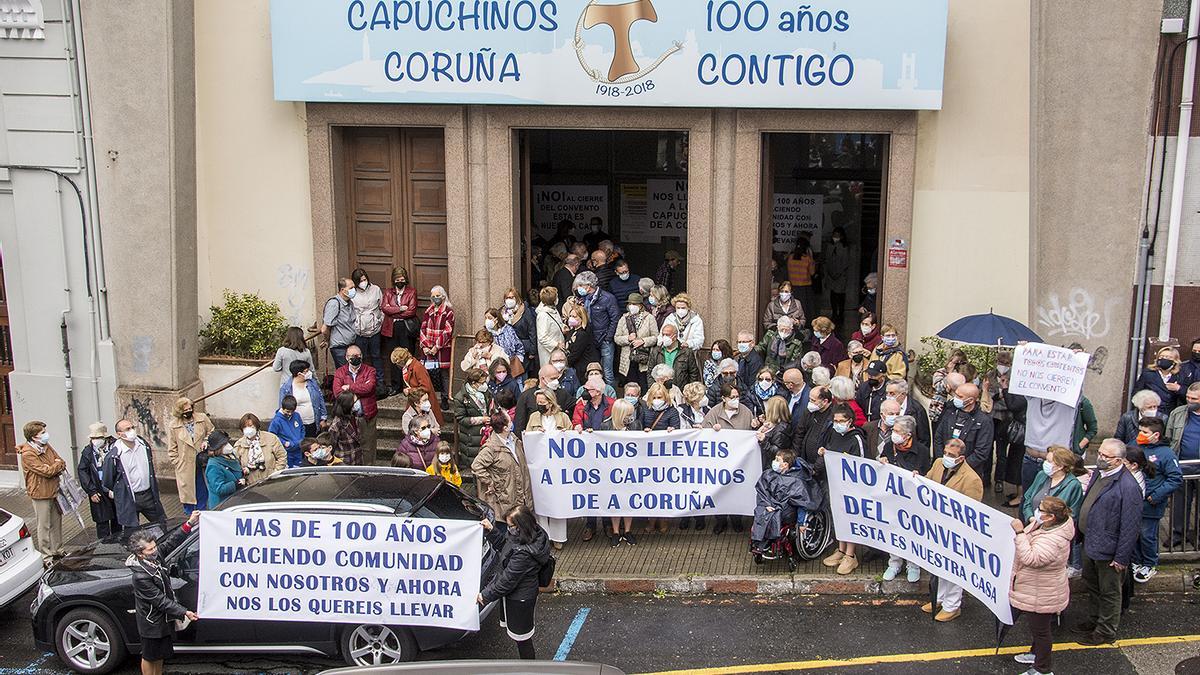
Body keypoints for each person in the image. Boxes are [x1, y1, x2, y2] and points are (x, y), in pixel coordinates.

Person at [1072, 439, 1143, 645]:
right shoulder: (1099, 474)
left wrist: (1121, 557)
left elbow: (1130, 527)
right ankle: (1094, 619)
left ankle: (1105, 630)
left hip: (1109, 550)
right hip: (1090, 542)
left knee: (1110, 592)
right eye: (1100, 454)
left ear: (1119, 461)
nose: (1100, 458)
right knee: (1093, 586)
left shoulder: (1128, 487)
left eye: (1106, 456)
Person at [127, 511, 201, 675]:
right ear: (140, 553)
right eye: (150, 549)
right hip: (151, 623)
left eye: (154, 547)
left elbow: (171, 542)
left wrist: (189, 524)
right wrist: (185, 612)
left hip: (161, 620)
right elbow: (160, 600)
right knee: (149, 656)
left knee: (159, 655)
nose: (155, 550)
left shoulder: (153, 559)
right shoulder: (141, 576)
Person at [1008, 496, 1075, 675]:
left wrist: (1020, 533)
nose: (1037, 511)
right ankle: (1036, 654)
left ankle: (1042, 669)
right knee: (1038, 629)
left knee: (1041, 631)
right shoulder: (1047, 526)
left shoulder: (1053, 540)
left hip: (1042, 592)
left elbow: (1032, 558)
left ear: (1050, 517)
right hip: (1037, 588)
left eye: (1041, 510)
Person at [919, 438, 984, 622]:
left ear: (961, 458)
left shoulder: (972, 479)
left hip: (955, 531)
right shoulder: (939, 463)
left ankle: (952, 605)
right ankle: (939, 598)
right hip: (936, 525)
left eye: (952, 455)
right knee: (939, 565)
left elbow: (971, 511)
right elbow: (928, 481)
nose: (946, 457)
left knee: (954, 569)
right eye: (946, 453)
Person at [477, 505, 551, 660]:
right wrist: (491, 531)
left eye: (510, 526)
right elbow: (507, 547)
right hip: (522, 594)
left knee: (523, 640)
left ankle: (529, 668)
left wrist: (485, 595)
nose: (508, 529)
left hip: (520, 599)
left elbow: (507, 580)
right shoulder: (534, 534)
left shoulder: (523, 554)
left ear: (520, 526)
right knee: (521, 637)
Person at [878, 415, 930, 583]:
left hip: (912, 502)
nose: (894, 434)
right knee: (893, 532)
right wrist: (881, 462)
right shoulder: (888, 446)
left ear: (908, 435)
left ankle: (913, 565)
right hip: (892, 499)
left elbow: (926, 475)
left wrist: (918, 475)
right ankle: (894, 563)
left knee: (912, 534)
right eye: (894, 430)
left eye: (898, 431)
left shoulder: (921, 451)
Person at [817, 404, 867, 574]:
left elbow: (860, 463)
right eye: (835, 420)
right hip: (835, 483)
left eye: (841, 421)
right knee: (838, 517)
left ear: (850, 421)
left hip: (851, 488)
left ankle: (851, 555)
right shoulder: (833, 433)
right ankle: (841, 549)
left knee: (849, 519)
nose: (838, 423)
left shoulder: (857, 439)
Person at [1131, 417, 1182, 583]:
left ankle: (1149, 564)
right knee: (1133, 534)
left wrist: (1156, 496)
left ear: (1156, 435)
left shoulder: (1166, 454)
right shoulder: (1134, 446)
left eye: (1145, 432)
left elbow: (1175, 478)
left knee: (1147, 535)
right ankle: (1136, 561)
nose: (1140, 434)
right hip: (1132, 502)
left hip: (1151, 504)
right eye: (1140, 430)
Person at [704, 382, 756, 535]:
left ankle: (736, 519)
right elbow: (703, 435)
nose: (735, 399)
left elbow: (751, 434)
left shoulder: (746, 412)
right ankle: (720, 521)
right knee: (719, 492)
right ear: (723, 398)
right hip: (719, 463)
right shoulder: (714, 413)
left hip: (739, 462)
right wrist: (712, 431)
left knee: (736, 491)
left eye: (737, 397)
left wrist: (755, 426)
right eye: (732, 397)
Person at [751, 448, 822, 555]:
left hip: (787, 509)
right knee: (762, 511)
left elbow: (802, 503)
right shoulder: (769, 474)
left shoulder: (797, 481)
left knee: (772, 515)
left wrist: (801, 523)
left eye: (777, 460)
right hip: (771, 504)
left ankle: (763, 543)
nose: (774, 462)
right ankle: (761, 542)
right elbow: (762, 491)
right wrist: (766, 504)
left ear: (785, 465)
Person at [104, 420, 167, 531]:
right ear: (119, 434)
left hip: (148, 496)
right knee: (132, 534)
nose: (132, 431)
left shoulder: (143, 446)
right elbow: (108, 480)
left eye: (132, 427)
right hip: (129, 499)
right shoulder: (114, 455)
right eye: (127, 429)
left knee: (163, 525)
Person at [473, 411, 533, 523]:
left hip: (520, 496)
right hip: (504, 501)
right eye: (510, 420)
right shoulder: (491, 448)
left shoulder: (514, 440)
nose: (512, 421)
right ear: (505, 428)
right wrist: (490, 482)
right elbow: (476, 466)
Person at [19, 421, 65, 564]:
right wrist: (55, 465)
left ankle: (58, 550)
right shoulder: (28, 454)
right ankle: (46, 555)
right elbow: (46, 471)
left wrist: (55, 465)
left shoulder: (46, 446)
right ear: (34, 436)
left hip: (53, 489)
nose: (46, 435)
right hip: (40, 492)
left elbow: (62, 462)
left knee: (56, 522)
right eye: (42, 433)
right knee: (43, 525)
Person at [932, 382, 993, 479]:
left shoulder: (983, 421)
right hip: (943, 468)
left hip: (967, 473)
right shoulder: (949, 413)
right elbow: (938, 438)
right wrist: (942, 460)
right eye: (955, 394)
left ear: (970, 400)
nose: (955, 398)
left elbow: (982, 452)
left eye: (959, 396)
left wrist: (959, 467)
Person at [600, 399, 640, 543]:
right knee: (615, 502)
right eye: (628, 414)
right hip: (612, 470)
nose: (631, 416)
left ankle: (628, 531)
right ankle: (616, 532)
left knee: (628, 500)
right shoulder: (605, 426)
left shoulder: (635, 425)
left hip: (630, 470)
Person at [166, 397, 214, 515]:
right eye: (185, 409)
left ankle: (203, 514)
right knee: (188, 495)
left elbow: (212, 431)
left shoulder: (202, 418)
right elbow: (172, 448)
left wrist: (206, 441)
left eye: (190, 408)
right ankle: (190, 518)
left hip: (202, 461)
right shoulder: (174, 426)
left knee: (202, 490)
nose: (188, 411)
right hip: (185, 465)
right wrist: (178, 462)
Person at [1167, 382, 1200, 547]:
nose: (1189, 401)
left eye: (1193, 398)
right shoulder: (1178, 413)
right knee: (1179, 503)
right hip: (1182, 467)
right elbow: (1169, 437)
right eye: (1187, 397)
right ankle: (1178, 534)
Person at [333, 344, 379, 462]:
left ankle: (369, 473)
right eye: (353, 356)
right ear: (347, 357)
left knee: (368, 447)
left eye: (358, 355)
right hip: (348, 417)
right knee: (350, 446)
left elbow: (369, 387)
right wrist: (359, 389)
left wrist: (349, 387)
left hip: (366, 415)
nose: (356, 358)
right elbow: (337, 392)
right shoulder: (340, 372)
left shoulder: (370, 370)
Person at [574, 270, 619, 384]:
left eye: (580, 285)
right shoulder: (583, 299)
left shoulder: (607, 298)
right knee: (592, 370)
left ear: (588, 286)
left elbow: (615, 318)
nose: (579, 288)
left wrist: (608, 338)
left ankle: (610, 398)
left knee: (607, 371)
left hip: (604, 340)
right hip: (590, 340)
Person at [1021, 445, 1084, 523]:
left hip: (1054, 532)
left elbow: (1073, 515)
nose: (1045, 463)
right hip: (1032, 526)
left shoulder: (1073, 485)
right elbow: (1028, 498)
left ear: (1060, 466)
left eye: (1049, 461)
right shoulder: (1041, 475)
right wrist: (1030, 518)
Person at [381, 266, 419, 393]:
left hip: (406, 327)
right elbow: (384, 308)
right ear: (393, 280)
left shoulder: (411, 291)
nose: (400, 281)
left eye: (402, 279)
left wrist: (393, 312)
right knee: (394, 357)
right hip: (391, 328)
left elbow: (411, 311)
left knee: (407, 356)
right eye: (397, 279)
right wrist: (400, 309)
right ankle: (396, 386)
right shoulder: (388, 292)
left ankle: (408, 384)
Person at [78, 423, 119, 538]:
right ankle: (105, 547)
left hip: (114, 488)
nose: (95, 441)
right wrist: (91, 490)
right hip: (98, 490)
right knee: (102, 523)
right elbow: (82, 471)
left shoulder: (116, 446)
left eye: (97, 438)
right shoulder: (88, 451)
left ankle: (118, 545)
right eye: (93, 438)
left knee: (118, 521)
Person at [614, 292, 659, 389]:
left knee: (644, 385)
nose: (632, 306)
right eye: (630, 304)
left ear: (641, 305)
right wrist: (627, 338)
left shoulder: (649, 318)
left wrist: (643, 341)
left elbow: (656, 337)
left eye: (634, 304)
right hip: (628, 358)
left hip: (644, 358)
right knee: (631, 386)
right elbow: (617, 338)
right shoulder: (624, 318)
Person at [391, 347, 446, 425]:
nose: (396, 365)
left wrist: (409, 391)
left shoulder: (417, 367)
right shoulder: (410, 366)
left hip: (423, 401)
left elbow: (426, 387)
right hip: (416, 400)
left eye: (397, 363)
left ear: (401, 361)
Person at [418, 285, 455, 398]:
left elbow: (448, 332)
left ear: (443, 296)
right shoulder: (428, 311)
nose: (435, 298)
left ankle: (444, 398)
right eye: (433, 296)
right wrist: (425, 346)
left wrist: (436, 347)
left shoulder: (448, 312)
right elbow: (423, 328)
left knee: (444, 375)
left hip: (442, 348)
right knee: (427, 373)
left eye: (438, 296)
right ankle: (428, 397)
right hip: (428, 348)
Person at [451, 368, 491, 469]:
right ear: (473, 383)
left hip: (486, 432)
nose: (484, 385)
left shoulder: (485, 392)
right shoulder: (461, 398)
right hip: (471, 436)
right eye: (481, 383)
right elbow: (461, 418)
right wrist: (481, 419)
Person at [350, 268, 385, 375]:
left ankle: (380, 383)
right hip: (359, 332)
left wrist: (380, 320)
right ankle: (362, 382)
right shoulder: (352, 293)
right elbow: (349, 310)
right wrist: (355, 325)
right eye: (360, 281)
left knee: (377, 356)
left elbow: (382, 307)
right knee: (360, 358)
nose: (363, 283)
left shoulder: (375, 289)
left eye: (364, 279)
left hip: (375, 331)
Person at [235, 413, 286, 486]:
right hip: (250, 484)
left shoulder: (271, 438)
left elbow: (282, 456)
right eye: (245, 427)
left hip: (271, 482)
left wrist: (276, 472)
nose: (248, 429)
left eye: (251, 426)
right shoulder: (239, 445)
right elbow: (236, 464)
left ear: (256, 426)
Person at [280, 360, 327, 436]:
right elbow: (282, 407)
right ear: (299, 374)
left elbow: (320, 400)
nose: (309, 373)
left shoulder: (312, 383)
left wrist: (323, 418)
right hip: (296, 424)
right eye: (306, 371)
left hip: (313, 422)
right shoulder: (286, 388)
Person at [793, 386, 835, 469]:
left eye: (813, 400)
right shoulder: (809, 412)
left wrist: (816, 468)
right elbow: (799, 433)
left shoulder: (834, 417)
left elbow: (830, 445)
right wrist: (796, 456)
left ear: (825, 401)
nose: (810, 402)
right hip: (804, 460)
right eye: (810, 399)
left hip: (821, 466)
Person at [321, 278, 358, 368]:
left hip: (351, 345)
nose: (354, 290)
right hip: (340, 347)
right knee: (345, 374)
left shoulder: (350, 303)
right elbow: (324, 328)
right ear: (342, 290)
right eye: (351, 288)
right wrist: (326, 340)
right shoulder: (334, 303)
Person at [203, 430, 244, 510]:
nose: (228, 446)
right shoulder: (213, 465)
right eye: (224, 444)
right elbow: (219, 488)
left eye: (227, 442)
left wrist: (242, 472)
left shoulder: (230, 456)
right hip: (221, 506)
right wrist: (236, 484)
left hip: (233, 502)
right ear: (218, 448)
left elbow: (234, 471)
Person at [501, 287, 538, 374]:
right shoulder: (502, 312)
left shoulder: (525, 311)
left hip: (523, 349)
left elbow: (532, 331)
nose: (509, 300)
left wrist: (532, 351)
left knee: (521, 374)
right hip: (507, 350)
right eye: (507, 298)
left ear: (517, 298)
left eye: (512, 297)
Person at [484, 308, 526, 376]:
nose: (487, 320)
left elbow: (518, 345)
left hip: (511, 365)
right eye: (485, 318)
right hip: (494, 367)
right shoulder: (486, 333)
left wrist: (519, 360)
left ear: (496, 319)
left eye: (489, 318)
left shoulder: (508, 330)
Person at [756, 396, 793, 468]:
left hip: (770, 466)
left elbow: (777, 452)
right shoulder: (777, 425)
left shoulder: (781, 430)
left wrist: (764, 441)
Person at [824, 226, 852, 321]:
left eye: (837, 235)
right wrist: (830, 272)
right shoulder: (829, 246)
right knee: (832, 294)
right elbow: (827, 260)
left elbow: (846, 262)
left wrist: (838, 273)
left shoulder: (844, 247)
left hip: (840, 275)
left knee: (840, 294)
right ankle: (834, 312)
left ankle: (841, 313)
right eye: (834, 235)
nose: (835, 237)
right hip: (830, 275)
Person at [786, 238, 818, 321]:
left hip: (793, 286)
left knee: (794, 306)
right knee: (805, 308)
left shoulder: (790, 257)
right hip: (805, 286)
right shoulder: (807, 258)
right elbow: (812, 272)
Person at [269, 396, 306, 468]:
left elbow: (302, 428)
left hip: (298, 449)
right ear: (282, 408)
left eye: (292, 411)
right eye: (287, 411)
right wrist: (284, 443)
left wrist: (301, 439)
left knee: (298, 469)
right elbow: (272, 436)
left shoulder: (297, 415)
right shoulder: (276, 421)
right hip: (286, 451)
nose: (290, 414)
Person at [327, 391, 362, 466]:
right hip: (344, 461)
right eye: (355, 401)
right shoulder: (336, 424)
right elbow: (332, 444)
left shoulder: (354, 417)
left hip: (357, 458)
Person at [535, 286, 565, 367]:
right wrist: (556, 344)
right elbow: (542, 337)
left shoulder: (554, 310)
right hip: (548, 353)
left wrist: (563, 327)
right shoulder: (543, 315)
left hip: (558, 350)